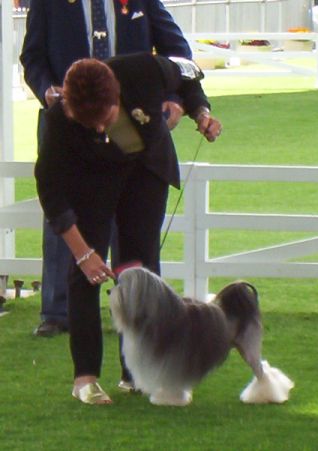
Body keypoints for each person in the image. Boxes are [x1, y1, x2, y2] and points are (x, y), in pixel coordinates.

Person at [34, 53, 222, 404]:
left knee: (139, 266)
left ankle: (136, 371)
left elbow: (189, 75)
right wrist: (84, 253)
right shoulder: (58, 121)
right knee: (85, 275)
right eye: (89, 124)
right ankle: (85, 377)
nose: (101, 129)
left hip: (145, 173)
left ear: (117, 94)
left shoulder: (145, 70)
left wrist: (200, 112)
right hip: (91, 184)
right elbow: (51, 193)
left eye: (104, 118)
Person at [20, 0, 192, 342]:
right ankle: (57, 311)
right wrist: (46, 91)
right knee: (65, 214)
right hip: (68, 122)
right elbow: (33, 57)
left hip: (124, 119)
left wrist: (177, 98)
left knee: (131, 218)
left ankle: (135, 308)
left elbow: (176, 52)